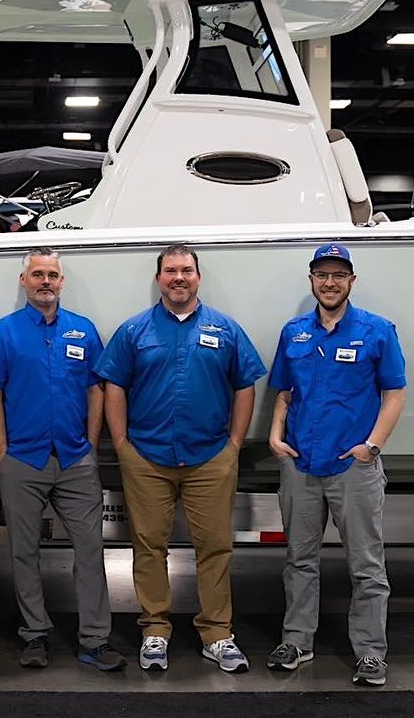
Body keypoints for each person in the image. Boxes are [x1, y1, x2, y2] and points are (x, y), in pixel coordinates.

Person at [95, 243, 265, 673]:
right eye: (170, 270)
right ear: (159, 279)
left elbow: (245, 384)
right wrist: (121, 443)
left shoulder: (225, 329)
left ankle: (217, 634)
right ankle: (155, 630)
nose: (179, 278)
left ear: (198, 277)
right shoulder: (134, 331)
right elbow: (114, 385)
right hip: (146, 458)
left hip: (210, 458)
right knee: (149, 546)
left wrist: (234, 444)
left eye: (186, 270)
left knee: (215, 547)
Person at [265, 243, 406, 687]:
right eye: (322, 275)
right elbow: (284, 391)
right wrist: (274, 436)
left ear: (351, 281)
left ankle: (370, 652)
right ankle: (297, 641)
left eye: (338, 275)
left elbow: (395, 393)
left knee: (366, 565)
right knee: (299, 559)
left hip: (353, 468)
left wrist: (372, 447)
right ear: (312, 281)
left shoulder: (377, 331)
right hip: (301, 464)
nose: (330, 283)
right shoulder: (294, 333)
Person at [0, 248, 125, 671]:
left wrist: (91, 443)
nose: (45, 281)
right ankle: (34, 634)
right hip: (22, 460)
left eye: (52, 275)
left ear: (62, 282)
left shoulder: (83, 330)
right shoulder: (4, 332)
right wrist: (2, 452)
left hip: (75, 459)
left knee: (91, 549)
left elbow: (96, 389)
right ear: (23, 281)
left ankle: (94, 640)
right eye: (37, 274)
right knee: (23, 553)